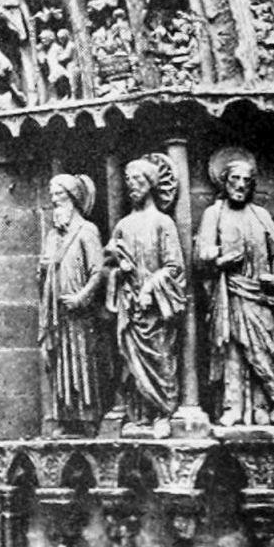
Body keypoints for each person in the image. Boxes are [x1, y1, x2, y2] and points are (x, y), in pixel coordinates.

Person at [195, 154, 274, 428]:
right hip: (230, 292)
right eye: (235, 179)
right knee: (232, 349)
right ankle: (232, 407)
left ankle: (263, 406)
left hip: (259, 294)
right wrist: (219, 260)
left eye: (247, 180)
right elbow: (201, 255)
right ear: (224, 182)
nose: (241, 185)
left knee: (263, 349)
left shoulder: (261, 215)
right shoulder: (214, 214)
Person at [103, 158, 186, 435]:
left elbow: (174, 267)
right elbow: (107, 265)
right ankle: (138, 415)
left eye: (138, 180)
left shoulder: (163, 223)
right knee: (130, 362)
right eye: (128, 181)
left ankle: (163, 412)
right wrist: (119, 270)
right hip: (130, 306)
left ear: (151, 184)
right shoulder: (123, 225)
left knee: (161, 357)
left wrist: (150, 287)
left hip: (155, 309)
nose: (132, 186)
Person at [38, 174, 105, 435]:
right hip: (58, 313)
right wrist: (43, 269)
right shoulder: (53, 236)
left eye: (59, 195)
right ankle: (66, 418)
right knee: (60, 365)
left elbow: (97, 271)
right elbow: (44, 271)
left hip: (80, 313)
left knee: (81, 361)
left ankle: (87, 418)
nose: (54, 201)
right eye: (52, 196)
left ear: (73, 198)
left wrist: (81, 297)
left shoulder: (87, 231)